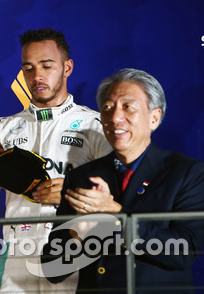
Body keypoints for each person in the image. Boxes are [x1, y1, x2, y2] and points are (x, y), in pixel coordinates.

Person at [0, 28, 110, 293]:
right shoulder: (2, 129)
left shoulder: (95, 126)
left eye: (46, 66)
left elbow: (116, 199)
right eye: (28, 68)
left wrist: (69, 194)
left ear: (67, 67)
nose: (37, 76)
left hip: (73, 250)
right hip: (17, 257)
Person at [44, 68, 204, 293]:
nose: (115, 118)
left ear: (154, 118)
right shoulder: (81, 177)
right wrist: (76, 234)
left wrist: (116, 215)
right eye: (108, 108)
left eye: (128, 107)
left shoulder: (187, 173)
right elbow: (52, 270)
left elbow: (185, 252)